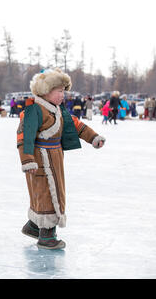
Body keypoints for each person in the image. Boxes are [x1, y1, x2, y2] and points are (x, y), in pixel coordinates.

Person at [17, 68, 105, 250]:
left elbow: (77, 125)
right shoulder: (34, 111)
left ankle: (34, 226)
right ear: (45, 91)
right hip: (40, 159)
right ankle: (47, 235)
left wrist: (93, 137)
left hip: (55, 157)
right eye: (59, 91)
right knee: (47, 193)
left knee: (51, 191)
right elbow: (24, 137)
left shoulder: (57, 111)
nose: (63, 95)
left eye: (64, 91)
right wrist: (28, 160)